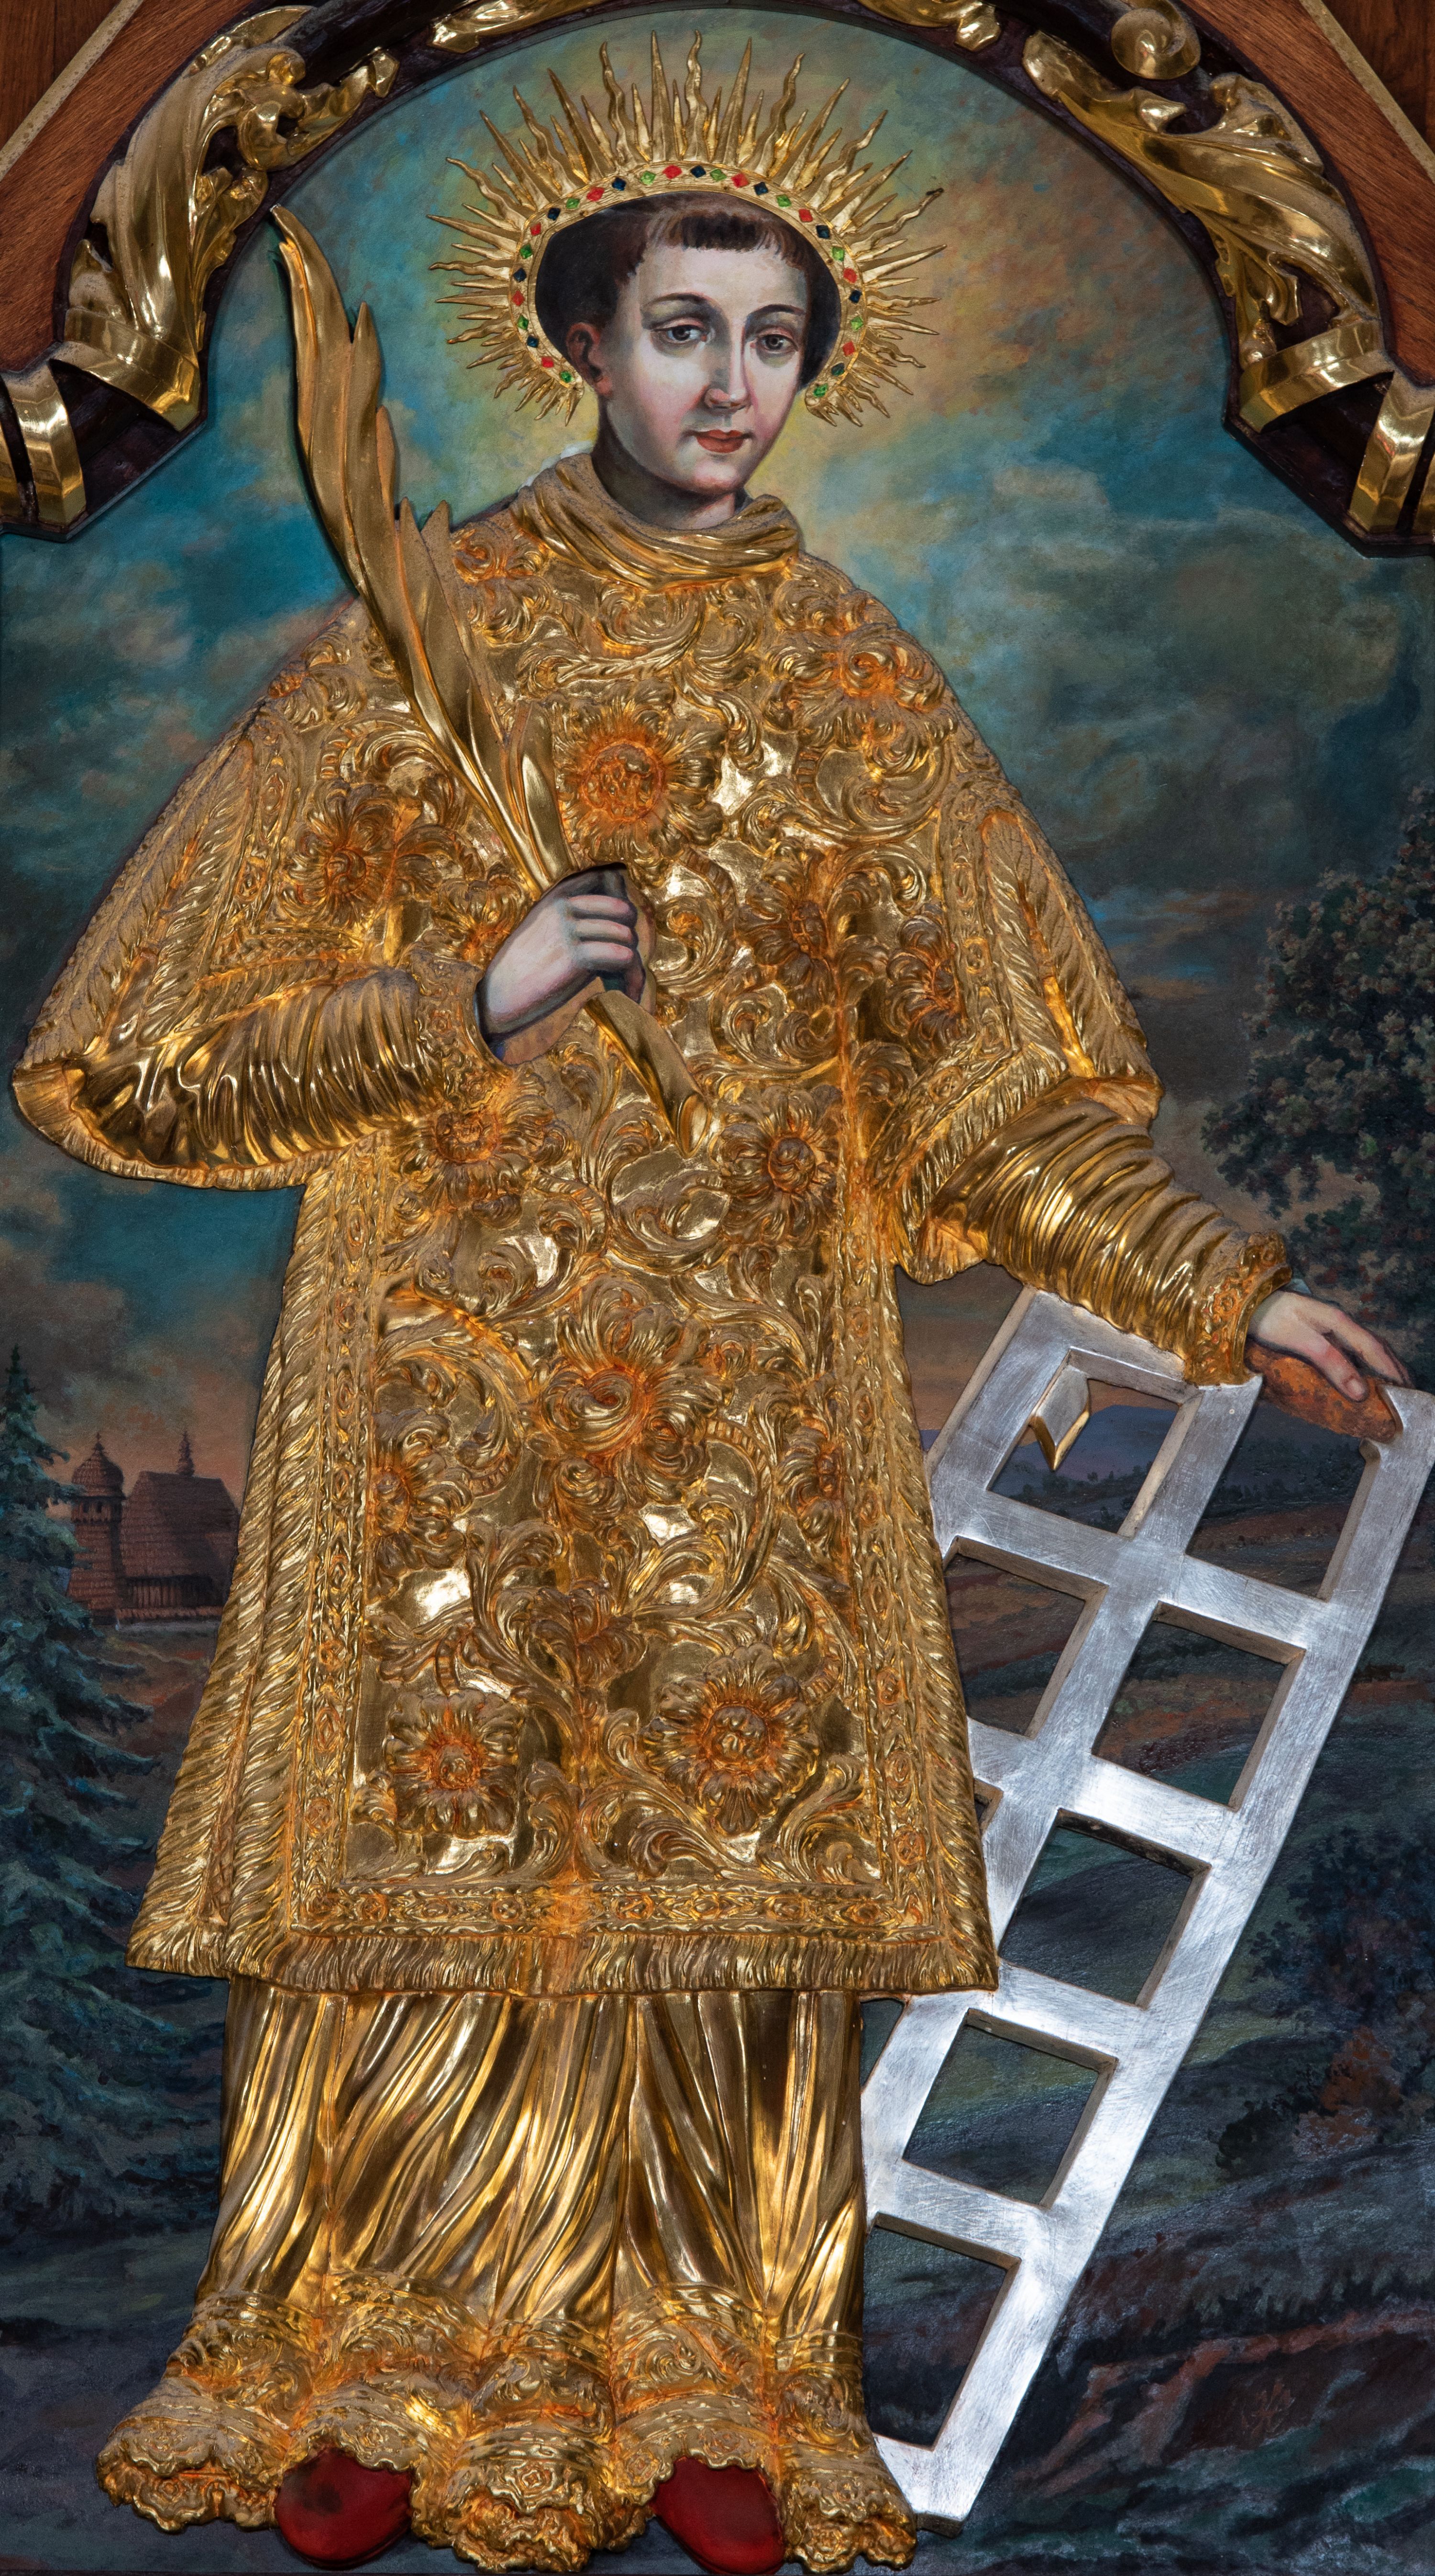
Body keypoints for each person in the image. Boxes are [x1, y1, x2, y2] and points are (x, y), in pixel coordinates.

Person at [15, 39, 1405, 2576]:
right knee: (436, 1874)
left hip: (741, 1423)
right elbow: (135, 1061)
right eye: (684, 330)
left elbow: (988, 1106)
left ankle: (714, 2378)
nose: (731, 384)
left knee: (714, 1895)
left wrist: (1232, 1288)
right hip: (442, 1405)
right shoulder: (413, 637)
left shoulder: (861, 687)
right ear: (583, 342)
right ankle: (368, 2355)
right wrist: (467, 1001)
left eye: (772, 339)